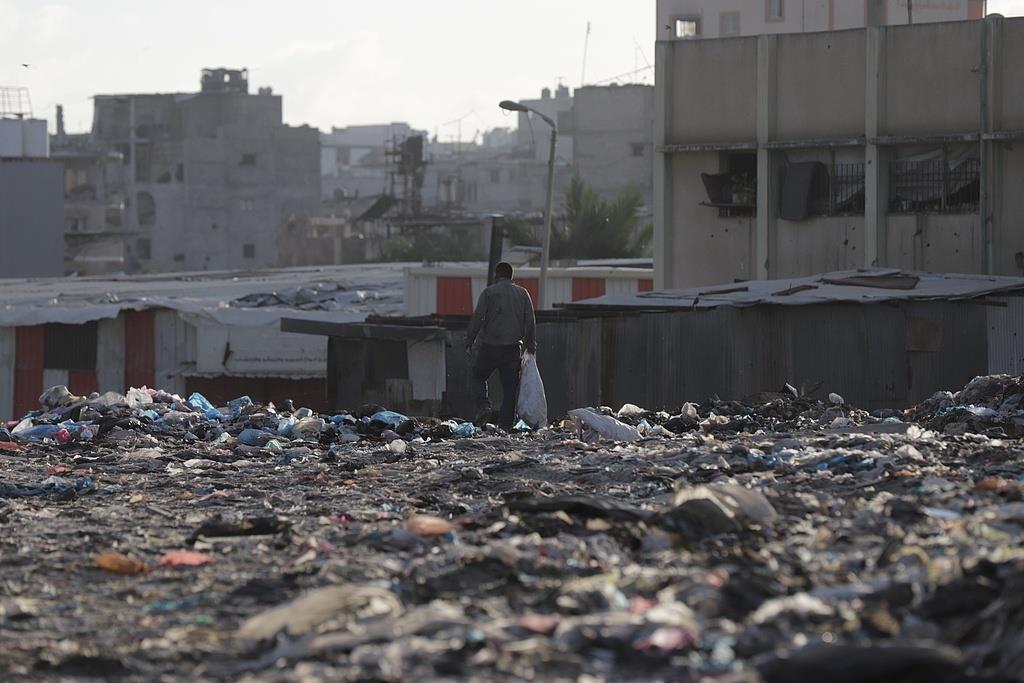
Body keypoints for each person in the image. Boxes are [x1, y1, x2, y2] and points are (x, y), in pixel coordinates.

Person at [465, 262, 537, 429]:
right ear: (512, 276)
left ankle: (484, 406)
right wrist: (531, 344)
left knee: (478, 377)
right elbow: (530, 321)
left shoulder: (489, 293)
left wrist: (470, 340)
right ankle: (505, 426)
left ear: (497, 275)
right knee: (510, 389)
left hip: (490, 347)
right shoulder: (523, 293)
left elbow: (478, 318)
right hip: (512, 349)